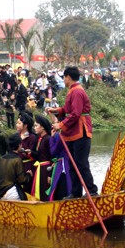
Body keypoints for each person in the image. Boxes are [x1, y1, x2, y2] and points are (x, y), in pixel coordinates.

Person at [47, 66, 98, 198]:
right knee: (72, 164)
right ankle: (75, 192)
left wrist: (61, 124)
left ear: (68, 77)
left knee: (80, 163)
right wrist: (58, 110)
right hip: (73, 133)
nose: (63, 80)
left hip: (81, 131)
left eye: (64, 77)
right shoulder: (73, 90)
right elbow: (68, 109)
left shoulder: (76, 92)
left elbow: (75, 113)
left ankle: (91, 190)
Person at [0, 134, 33, 200]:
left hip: (0, 192)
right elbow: (22, 180)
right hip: (12, 192)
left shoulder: (1, 159)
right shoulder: (17, 159)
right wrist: (29, 175)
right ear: (19, 145)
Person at [30, 114, 52, 201]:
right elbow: (39, 155)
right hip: (40, 168)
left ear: (42, 127)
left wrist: (50, 175)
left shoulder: (48, 139)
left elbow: (52, 157)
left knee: (45, 191)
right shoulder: (40, 139)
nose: (34, 128)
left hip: (46, 169)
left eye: (36, 126)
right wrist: (31, 152)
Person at [16, 112, 36, 194]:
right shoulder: (16, 136)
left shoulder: (32, 137)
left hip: (27, 165)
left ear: (25, 125)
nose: (16, 125)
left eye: (19, 123)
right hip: (16, 164)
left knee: (27, 188)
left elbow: (31, 154)